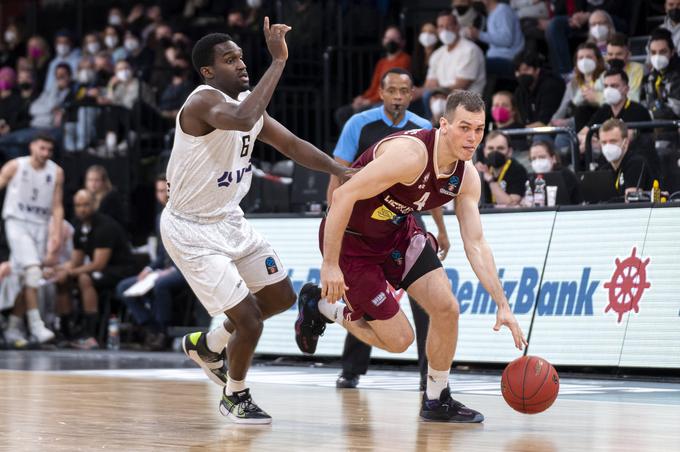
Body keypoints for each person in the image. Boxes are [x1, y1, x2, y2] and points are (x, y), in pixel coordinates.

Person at [295, 90, 527, 423]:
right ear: (444, 125)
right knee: (399, 340)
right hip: (352, 242)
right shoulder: (410, 155)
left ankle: (436, 398)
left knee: (447, 308)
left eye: (479, 128)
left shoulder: (467, 176)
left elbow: (476, 243)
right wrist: (329, 264)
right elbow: (343, 195)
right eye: (464, 127)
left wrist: (502, 304)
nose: (473, 137)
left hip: (397, 234)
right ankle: (322, 306)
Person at [160, 22, 351, 424]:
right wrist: (278, 59)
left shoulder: (248, 102)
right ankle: (236, 394)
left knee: (280, 298)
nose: (242, 64)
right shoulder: (202, 103)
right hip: (191, 229)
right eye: (230, 60)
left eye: (242, 56)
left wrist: (339, 171)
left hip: (229, 219)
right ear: (208, 72)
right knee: (248, 320)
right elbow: (245, 118)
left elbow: (292, 145)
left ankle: (209, 344)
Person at [326, 68, 447, 390]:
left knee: (429, 300)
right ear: (381, 92)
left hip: (403, 218)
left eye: (403, 91)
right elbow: (336, 171)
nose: (397, 96)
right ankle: (351, 369)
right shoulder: (359, 124)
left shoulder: (424, 129)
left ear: (411, 95)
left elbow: (431, 186)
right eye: (391, 90)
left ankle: (429, 377)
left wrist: (441, 228)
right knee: (365, 301)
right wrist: (332, 213)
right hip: (360, 222)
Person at [54, 189, 139, 350]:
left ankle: (90, 334)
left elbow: (99, 264)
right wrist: (58, 270)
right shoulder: (79, 228)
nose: (82, 209)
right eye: (78, 205)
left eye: (86, 204)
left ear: (94, 204)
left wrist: (71, 271)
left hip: (120, 270)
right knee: (61, 279)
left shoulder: (104, 226)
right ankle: (65, 332)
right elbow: (75, 261)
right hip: (100, 270)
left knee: (85, 278)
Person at [0, 134, 64, 344]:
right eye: (42, 148)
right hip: (16, 221)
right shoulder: (15, 166)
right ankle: (37, 325)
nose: (45, 153)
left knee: (25, 278)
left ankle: (12, 328)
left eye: (49, 150)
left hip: (40, 225)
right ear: (32, 146)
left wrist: (56, 235)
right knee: (34, 271)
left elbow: (57, 206)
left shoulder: (56, 172)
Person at [116, 175, 187, 351]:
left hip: (185, 269)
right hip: (164, 268)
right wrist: (149, 269)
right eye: (159, 191)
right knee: (124, 287)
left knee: (160, 283)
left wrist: (171, 269)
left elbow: (189, 250)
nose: (163, 195)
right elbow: (161, 254)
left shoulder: (184, 215)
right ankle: (151, 328)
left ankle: (162, 333)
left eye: (165, 191)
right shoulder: (159, 217)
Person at [334, 26, 411, 126]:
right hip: (374, 99)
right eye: (388, 38)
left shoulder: (405, 59)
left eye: (395, 38)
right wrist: (362, 98)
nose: (391, 41)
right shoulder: (381, 62)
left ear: (402, 42)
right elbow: (374, 87)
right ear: (383, 41)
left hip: (387, 101)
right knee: (342, 113)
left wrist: (369, 101)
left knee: (360, 113)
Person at [599, 118, 655, 200]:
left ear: (625, 142)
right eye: (604, 142)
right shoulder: (603, 168)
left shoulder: (636, 163)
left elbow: (630, 201)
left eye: (613, 141)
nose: (608, 146)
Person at [475, 130, 528, 207]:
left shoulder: (518, 170)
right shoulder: (482, 169)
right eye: (490, 148)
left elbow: (510, 203)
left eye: (500, 148)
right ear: (484, 151)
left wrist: (491, 180)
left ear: (509, 151)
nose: (495, 152)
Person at [512, 50, 564, 128]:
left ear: (537, 70)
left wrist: (519, 131)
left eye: (526, 69)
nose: (522, 74)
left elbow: (544, 123)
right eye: (518, 71)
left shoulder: (551, 86)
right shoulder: (520, 92)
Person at [528, 141, 583, 205]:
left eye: (542, 157)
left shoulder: (565, 175)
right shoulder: (532, 178)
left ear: (553, 159)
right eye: (534, 158)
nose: (538, 161)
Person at [643, 27, 680, 120]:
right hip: (654, 127)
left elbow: (676, 109)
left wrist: (649, 114)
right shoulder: (649, 77)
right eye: (653, 52)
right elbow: (644, 102)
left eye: (662, 52)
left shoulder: (678, 74)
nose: (657, 57)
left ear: (672, 52)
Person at [604, 33, 644, 102]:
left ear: (628, 55)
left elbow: (633, 98)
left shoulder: (637, 69)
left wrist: (600, 98)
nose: (614, 58)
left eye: (619, 54)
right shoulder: (605, 70)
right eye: (610, 54)